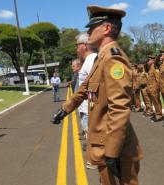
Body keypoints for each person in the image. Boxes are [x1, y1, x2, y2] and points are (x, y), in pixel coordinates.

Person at [51, 5, 143, 185]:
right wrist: (64, 110)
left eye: (92, 27)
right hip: (104, 143)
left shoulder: (113, 58)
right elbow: (84, 90)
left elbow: (119, 107)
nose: (89, 32)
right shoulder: (101, 58)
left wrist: (112, 152)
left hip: (115, 146)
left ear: (106, 29)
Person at [145, 55, 163, 122]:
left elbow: (158, 80)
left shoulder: (154, 68)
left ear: (152, 61)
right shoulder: (150, 68)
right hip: (151, 89)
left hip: (154, 89)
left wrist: (156, 88)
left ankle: (159, 115)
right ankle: (157, 114)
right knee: (155, 103)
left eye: (149, 60)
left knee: (157, 102)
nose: (147, 62)